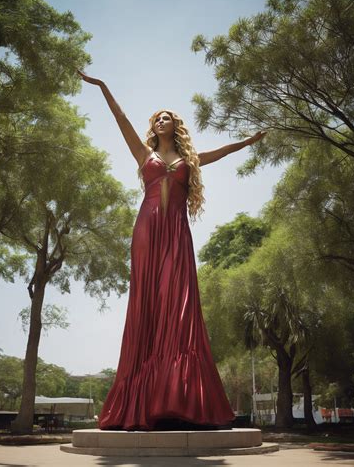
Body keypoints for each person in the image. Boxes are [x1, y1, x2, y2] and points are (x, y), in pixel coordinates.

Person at [76, 69, 267, 431]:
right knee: (147, 306)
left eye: (168, 117)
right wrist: (104, 86)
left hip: (177, 235)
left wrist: (246, 142)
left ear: (175, 126)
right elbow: (120, 119)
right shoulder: (142, 153)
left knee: (178, 308)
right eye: (158, 117)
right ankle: (143, 398)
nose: (162, 120)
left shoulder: (189, 160)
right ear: (154, 126)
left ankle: (180, 398)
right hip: (147, 233)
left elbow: (222, 152)